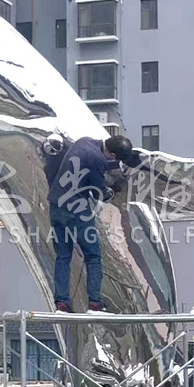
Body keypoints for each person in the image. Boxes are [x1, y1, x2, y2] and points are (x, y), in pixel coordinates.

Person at [44, 134, 133, 313]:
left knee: (63, 256)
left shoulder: (83, 141)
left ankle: (62, 303)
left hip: (56, 206)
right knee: (93, 257)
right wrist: (112, 190)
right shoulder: (98, 159)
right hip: (76, 211)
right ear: (112, 155)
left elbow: (86, 167)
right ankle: (95, 303)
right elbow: (100, 193)